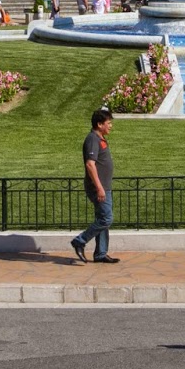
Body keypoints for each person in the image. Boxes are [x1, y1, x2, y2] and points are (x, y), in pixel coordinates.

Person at [71, 107, 118, 264]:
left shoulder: (100, 139)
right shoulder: (92, 139)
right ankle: (80, 241)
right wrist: (99, 188)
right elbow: (90, 165)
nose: (110, 126)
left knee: (102, 218)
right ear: (99, 124)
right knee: (106, 218)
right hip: (98, 188)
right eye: (108, 123)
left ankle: (100, 254)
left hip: (104, 187)